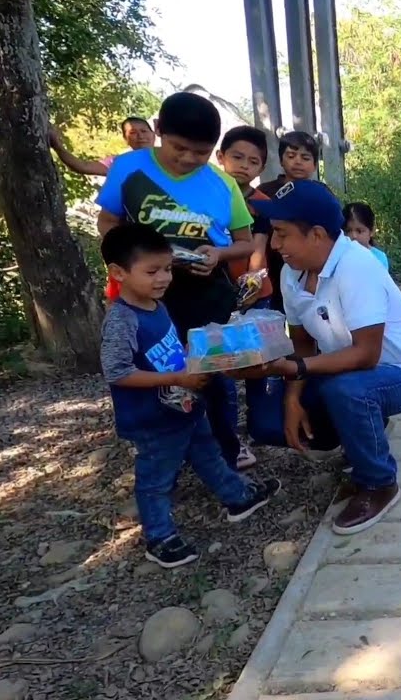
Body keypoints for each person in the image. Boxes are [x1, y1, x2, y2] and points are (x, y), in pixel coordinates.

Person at [238, 180, 401, 535]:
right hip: (344, 372)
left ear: (316, 234)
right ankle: (358, 438)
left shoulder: (356, 267)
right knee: (267, 420)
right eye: (272, 233)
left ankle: (379, 483)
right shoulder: (291, 272)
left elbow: (366, 355)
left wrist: (295, 369)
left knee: (347, 392)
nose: (275, 244)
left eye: (282, 233)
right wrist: (293, 398)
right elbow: (300, 343)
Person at [99, 224, 280, 569]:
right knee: (156, 479)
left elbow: (170, 348)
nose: (163, 278)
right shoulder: (122, 320)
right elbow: (117, 372)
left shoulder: (158, 306)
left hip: (184, 405)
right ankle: (159, 537)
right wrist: (177, 376)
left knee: (209, 454)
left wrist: (203, 354)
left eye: (167, 269)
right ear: (118, 273)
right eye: (151, 271)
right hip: (152, 419)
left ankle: (237, 497)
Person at [96, 91, 258, 472]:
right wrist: (128, 262)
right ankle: (169, 450)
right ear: (158, 131)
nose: (188, 159)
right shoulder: (129, 168)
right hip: (145, 296)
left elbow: (245, 241)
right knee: (158, 371)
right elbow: (108, 222)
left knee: (213, 374)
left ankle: (226, 447)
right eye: (179, 147)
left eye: (200, 152)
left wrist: (217, 255)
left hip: (204, 291)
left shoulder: (222, 184)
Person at [216, 125, 278, 457]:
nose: (244, 165)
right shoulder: (210, 195)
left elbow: (260, 245)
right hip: (213, 293)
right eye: (237, 157)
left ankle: (261, 424)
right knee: (221, 365)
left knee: (258, 359)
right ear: (220, 157)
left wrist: (252, 284)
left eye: (253, 161)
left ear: (260, 168)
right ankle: (228, 438)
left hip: (256, 290)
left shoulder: (263, 203)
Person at [259, 131, 328, 313]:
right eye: (291, 156)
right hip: (274, 263)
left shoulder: (321, 192)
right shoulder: (265, 192)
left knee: (318, 312)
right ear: (281, 160)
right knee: (276, 315)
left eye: (305, 157)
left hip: (312, 264)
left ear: (314, 165)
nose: (298, 161)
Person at [49, 116, 156, 178]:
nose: (140, 136)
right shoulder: (119, 163)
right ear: (125, 139)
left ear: (154, 134)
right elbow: (83, 166)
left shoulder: (169, 157)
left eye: (144, 131)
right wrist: (57, 146)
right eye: (133, 132)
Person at [342, 202, 390, 271]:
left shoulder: (379, 258)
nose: (353, 236)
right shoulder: (340, 256)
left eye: (359, 231)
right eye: (348, 231)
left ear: (371, 231)